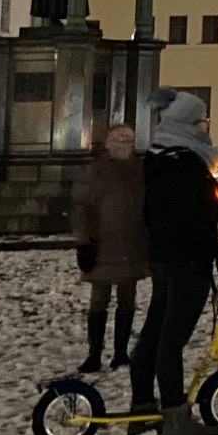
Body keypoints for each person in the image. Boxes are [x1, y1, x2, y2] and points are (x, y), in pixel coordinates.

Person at [131, 91, 218, 435]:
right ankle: (175, 416)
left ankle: (142, 408)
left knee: (155, 330)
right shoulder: (185, 162)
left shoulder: (158, 155)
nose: (205, 126)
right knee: (171, 339)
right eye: (203, 120)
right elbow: (195, 214)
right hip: (187, 258)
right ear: (190, 123)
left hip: (164, 254)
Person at [72, 123, 148, 373]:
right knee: (99, 300)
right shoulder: (97, 170)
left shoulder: (140, 170)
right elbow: (83, 207)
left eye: (128, 139)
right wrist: (84, 241)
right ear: (108, 142)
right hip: (102, 244)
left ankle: (120, 352)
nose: (124, 143)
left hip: (132, 244)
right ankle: (94, 353)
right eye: (119, 138)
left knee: (127, 298)